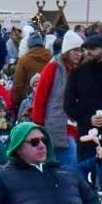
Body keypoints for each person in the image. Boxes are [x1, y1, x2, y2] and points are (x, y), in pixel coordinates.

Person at [30, 30, 84, 160]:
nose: (78, 54)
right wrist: (38, 125)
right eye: (75, 50)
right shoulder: (52, 68)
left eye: (80, 50)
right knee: (69, 163)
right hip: (53, 125)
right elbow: (40, 98)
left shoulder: (75, 70)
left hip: (70, 126)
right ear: (67, 51)